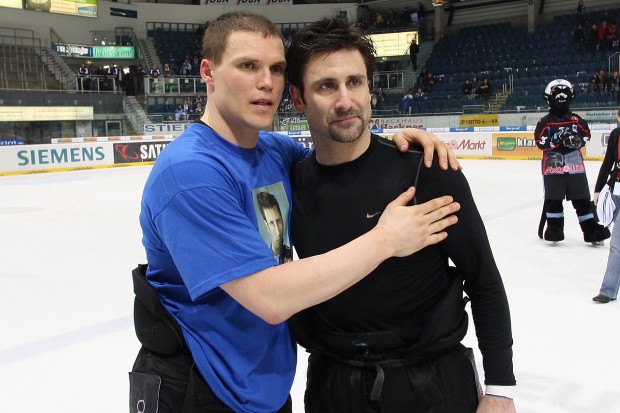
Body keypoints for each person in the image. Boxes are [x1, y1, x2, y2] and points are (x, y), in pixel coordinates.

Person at [129, 11, 462, 413]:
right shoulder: (191, 172)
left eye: (276, 68)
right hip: (199, 387)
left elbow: (341, 159)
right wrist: (386, 239)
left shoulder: (274, 150)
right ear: (208, 71)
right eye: (248, 66)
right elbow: (270, 297)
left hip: (263, 386)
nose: (266, 82)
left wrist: (391, 146)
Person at [286, 15, 516, 413]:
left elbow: (484, 280)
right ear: (298, 98)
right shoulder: (290, 184)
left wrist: (499, 389)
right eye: (326, 86)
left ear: (370, 90)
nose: (345, 100)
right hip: (332, 386)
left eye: (355, 82)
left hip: (432, 385)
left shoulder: (425, 170)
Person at [535, 79, 610, 244]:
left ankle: (591, 229)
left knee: (582, 199)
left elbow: (586, 136)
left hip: (575, 168)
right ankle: (554, 228)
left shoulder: (576, 119)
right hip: (553, 168)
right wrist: (558, 139)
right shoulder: (545, 122)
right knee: (554, 201)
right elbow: (540, 142)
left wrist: (576, 140)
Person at [592, 109, 620, 303]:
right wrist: (598, 189)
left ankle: (608, 289)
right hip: (616, 192)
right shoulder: (616, 135)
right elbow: (608, 162)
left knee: (617, 244)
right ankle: (608, 291)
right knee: (617, 246)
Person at [256, 190, 293, 263]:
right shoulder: (262, 259)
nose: (278, 232)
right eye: (272, 223)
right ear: (267, 226)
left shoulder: (292, 252)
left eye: (278, 221)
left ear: (282, 219)